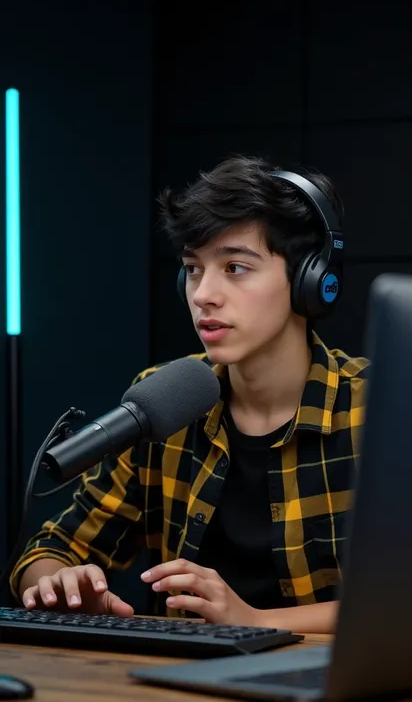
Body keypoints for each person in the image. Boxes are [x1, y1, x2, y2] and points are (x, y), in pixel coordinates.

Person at [9, 155, 369, 634]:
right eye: (194, 269)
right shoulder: (161, 401)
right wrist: (61, 584)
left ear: (312, 281)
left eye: (235, 267)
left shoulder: (379, 410)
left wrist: (255, 621)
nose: (203, 295)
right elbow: (50, 549)